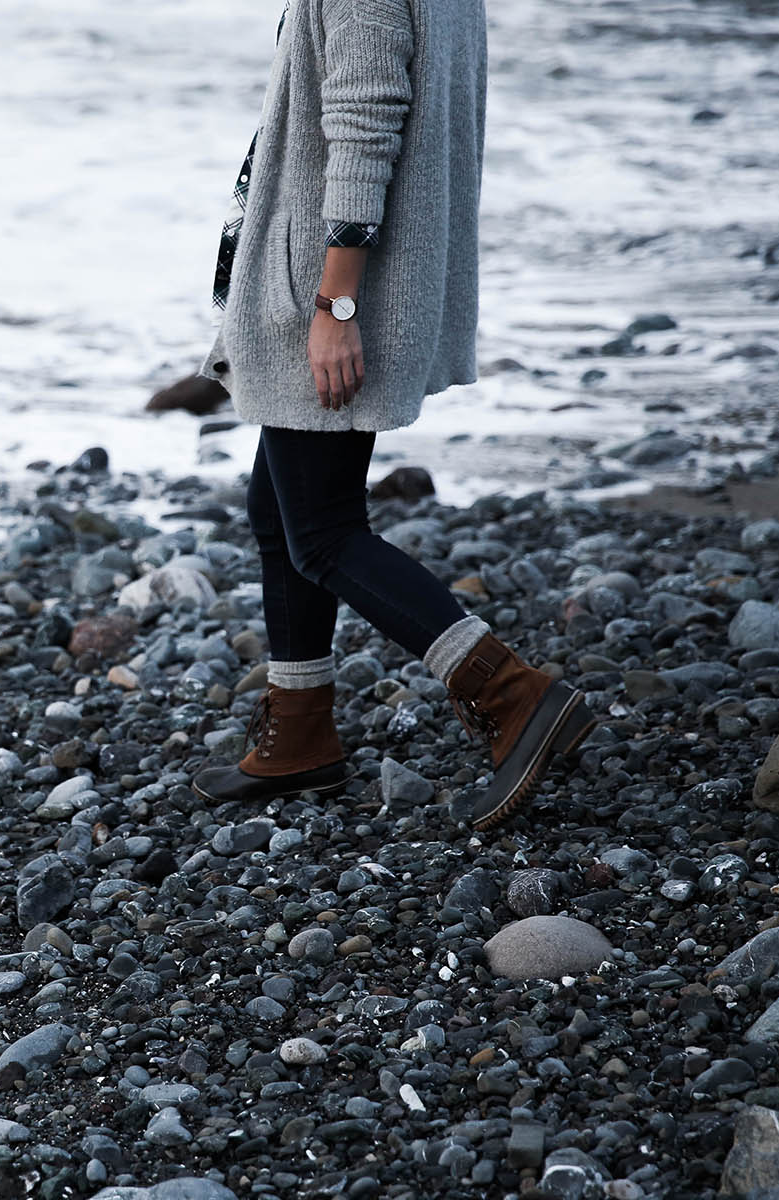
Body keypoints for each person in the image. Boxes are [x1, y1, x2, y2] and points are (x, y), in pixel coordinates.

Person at [189, 0, 599, 830]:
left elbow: (365, 121)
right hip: (379, 276)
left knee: (324, 531)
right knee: (279, 511)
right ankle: (299, 731)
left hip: (336, 287)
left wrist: (334, 303)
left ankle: (513, 693)